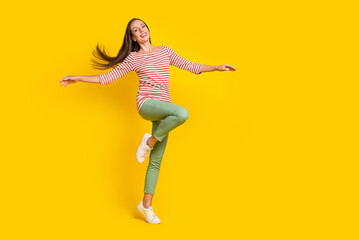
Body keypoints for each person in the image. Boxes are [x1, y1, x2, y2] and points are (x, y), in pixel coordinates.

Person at [59, 18, 236, 224]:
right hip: (147, 103)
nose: (141, 30)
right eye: (136, 30)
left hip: (164, 109)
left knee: (155, 161)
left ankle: (146, 206)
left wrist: (216, 67)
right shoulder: (134, 58)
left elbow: (190, 66)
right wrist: (78, 77)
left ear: (148, 29)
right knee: (182, 114)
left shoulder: (165, 51)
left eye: (143, 26)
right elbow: (108, 78)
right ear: (132, 37)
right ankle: (149, 141)